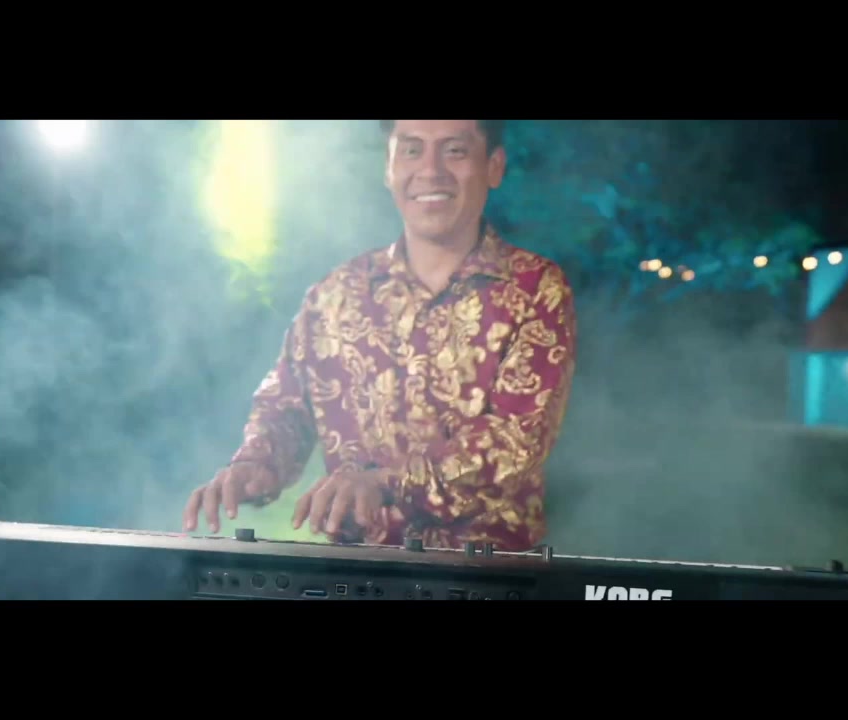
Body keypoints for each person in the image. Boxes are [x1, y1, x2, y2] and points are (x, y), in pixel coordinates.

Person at [182, 119, 576, 552]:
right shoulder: (335, 295)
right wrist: (255, 466)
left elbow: (514, 442)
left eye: (455, 151)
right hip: (354, 570)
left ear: (494, 167)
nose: (430, 170)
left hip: (487, 570)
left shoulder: (535, 288)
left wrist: (385, 482)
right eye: (411, 150)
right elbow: (285, 409)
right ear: (388, 169)